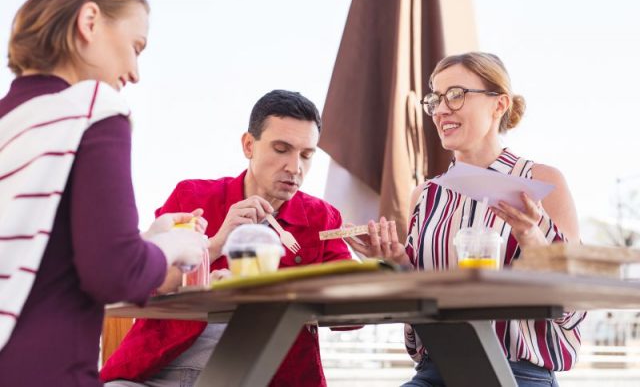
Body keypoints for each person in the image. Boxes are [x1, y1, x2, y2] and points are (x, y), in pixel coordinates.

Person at [0, 0, 208, 386]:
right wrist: (175, 245)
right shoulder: (93, 109)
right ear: (90, 21)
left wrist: (144, 240)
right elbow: (114, 274)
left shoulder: (9, 122)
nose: (135, 73)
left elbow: (42, 256)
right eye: (136, 46)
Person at [345, 52, 585, 387]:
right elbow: (421, 299)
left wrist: (531, 236)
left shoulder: (541, 181)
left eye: (456, 95)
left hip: (517, 374)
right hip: (436, 371)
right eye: (435, 99)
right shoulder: (425, 195)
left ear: (499, 104)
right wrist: (392, 260)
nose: (441, 110)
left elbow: (574, 300)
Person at [101, 90, 354, 386]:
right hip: (163, 371)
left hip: (266, 378)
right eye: (281, 149)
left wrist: (381, 258)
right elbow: (147, 284)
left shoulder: (321, 218)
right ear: (249, 145)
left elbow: (349, 319)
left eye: (306, 155)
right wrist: (217, 243)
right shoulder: (192, 197)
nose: (295, 167)